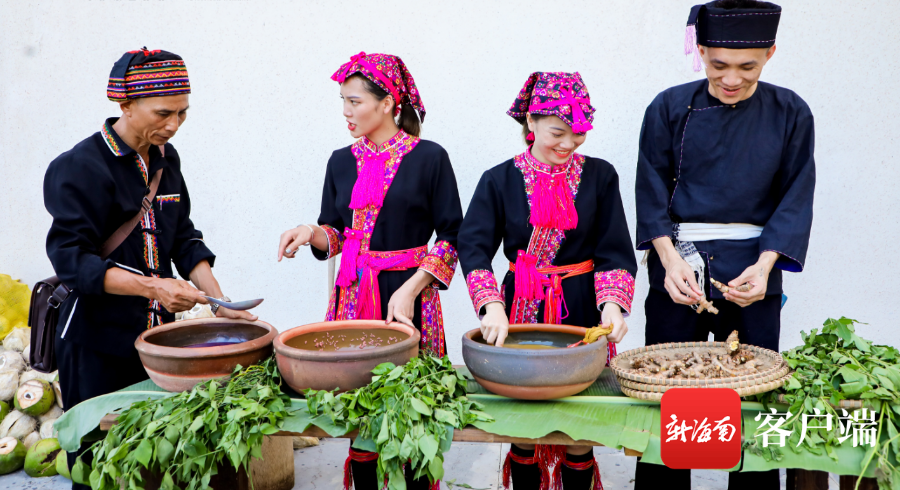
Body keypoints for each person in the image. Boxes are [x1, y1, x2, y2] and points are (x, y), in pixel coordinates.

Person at [44, 48, 256, 490]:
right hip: (97, 344)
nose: (174, 124)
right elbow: (72, 261)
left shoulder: (165, 159)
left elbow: (184, 238)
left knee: (155, 461)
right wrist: (154, 288)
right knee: (99, 465)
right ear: (125, 104)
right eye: (164, 113)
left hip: (157, 345)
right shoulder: (78, 167)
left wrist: (220, 303)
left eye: (183, 113)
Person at [633, 1, 815, 488]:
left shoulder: (790, 112)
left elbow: (795, 196)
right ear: (700, 51)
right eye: (718, 65)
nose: (731, 78)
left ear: (770, 54)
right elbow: (650, 189)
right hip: (678, 267)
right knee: (669, 392)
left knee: (753, 398)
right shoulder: (668, 107)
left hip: (753, 268)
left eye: (747, 67)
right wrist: (668, 260)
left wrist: (766, 265)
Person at [275, 52, 463, 490]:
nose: (346, 111)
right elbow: (336, 232)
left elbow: (452, 237)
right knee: (358, 414)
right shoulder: (340, 160)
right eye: (343, 101)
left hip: (408, 298)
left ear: (388, 103)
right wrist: (309, 233)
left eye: (354, 101)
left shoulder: (430, 158)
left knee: (412, 416)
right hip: (354, 297)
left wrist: (412, 289)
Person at [458, 71, 637, 490]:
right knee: (524, 427)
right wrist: (491, 306)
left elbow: (614, 249)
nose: (569, 143)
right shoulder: (499, 179)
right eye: (558, 132)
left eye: (579, 134)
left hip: (582, 308)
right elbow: (473, 246)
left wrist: (613, 306)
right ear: (531, 121)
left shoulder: (600, 176)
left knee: (581, 426)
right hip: (519, 311)